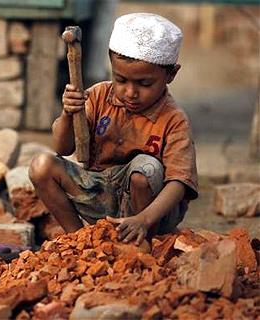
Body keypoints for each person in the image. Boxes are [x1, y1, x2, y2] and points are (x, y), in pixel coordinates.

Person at [29, 13, 198, 246]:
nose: (130, 92)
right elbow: (62, 148)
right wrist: (68, 114)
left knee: (145, 169)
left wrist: (144, 219)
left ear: (170, 74)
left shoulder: (174, 120)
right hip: (100, 193)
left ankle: (141, 244)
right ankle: (79, 240)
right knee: (41, 166)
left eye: (144, 84)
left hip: (151, 212)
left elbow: (179, 183)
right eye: (121, 80)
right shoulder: (98, 96)